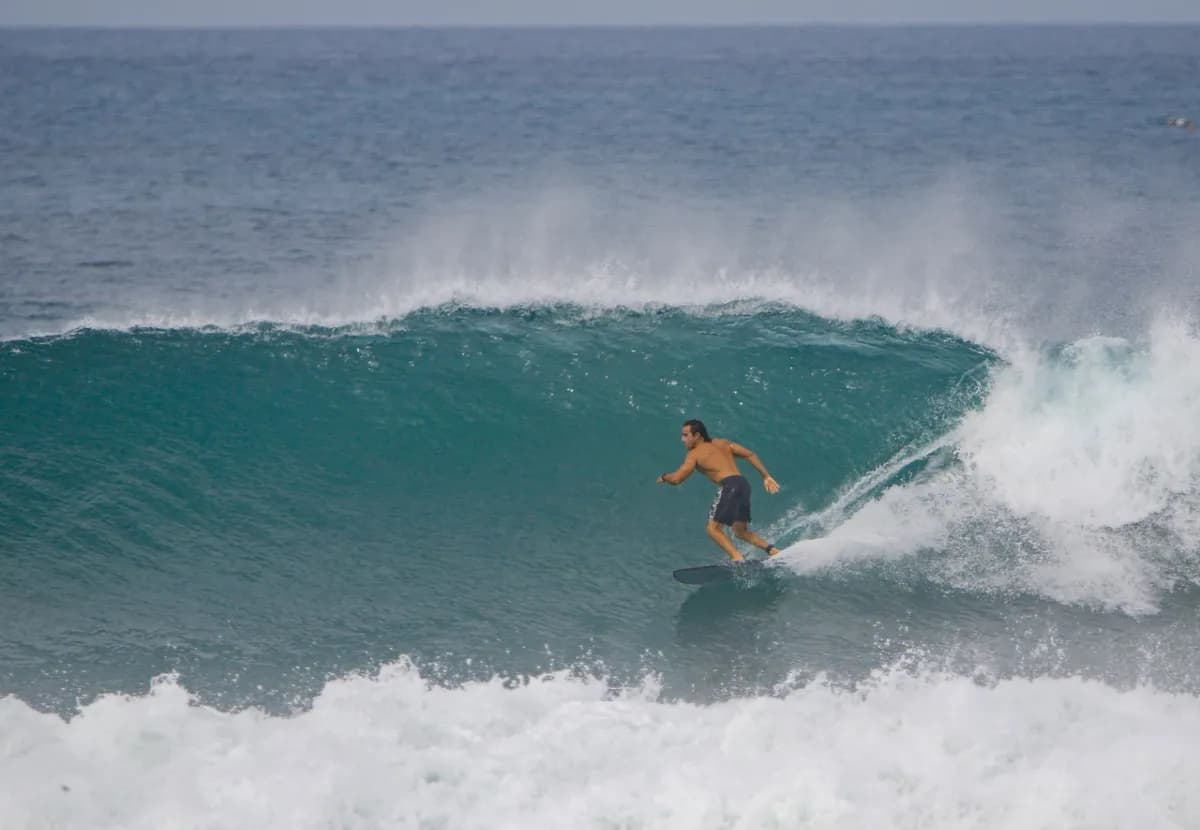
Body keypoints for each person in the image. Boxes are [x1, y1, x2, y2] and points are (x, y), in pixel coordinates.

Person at [656, 419, 782, 561]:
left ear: (697, 436)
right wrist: (766, 476)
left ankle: (737, 558)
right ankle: (772, 550)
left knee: (713, 529)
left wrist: (664, 476)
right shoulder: (722, 443)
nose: (682, 439)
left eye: (685, 435)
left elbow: (677, 479)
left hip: (729, 486)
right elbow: (750, 454)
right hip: (743, 484)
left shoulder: (694, 454)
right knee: (740, 531)